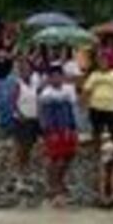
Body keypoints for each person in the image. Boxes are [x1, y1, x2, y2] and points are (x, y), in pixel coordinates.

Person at [36, 70, 81, 206]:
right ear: (50, 79)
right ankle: (53, 185)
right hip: (54, 130)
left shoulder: (67, 91)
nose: (57, 79)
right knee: (56, 158)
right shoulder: (46, 94)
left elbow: (71, 111)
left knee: (68, 156)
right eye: (53, 76)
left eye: (59, 76)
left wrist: (74, 128)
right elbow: (45, 115)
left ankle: (60, 181)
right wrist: (49, 131)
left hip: (67, 129)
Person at [80, 61, 113, 144]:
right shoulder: (94, 75)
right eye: (101, 63)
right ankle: (97, 148)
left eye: (105, 62)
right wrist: (83, 101)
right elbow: (86, 89)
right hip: (96, 106)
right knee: (96, 130)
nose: (103, 64)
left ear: (109, 64)